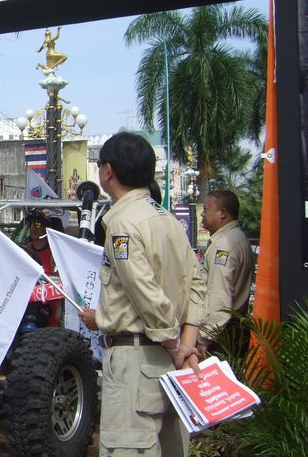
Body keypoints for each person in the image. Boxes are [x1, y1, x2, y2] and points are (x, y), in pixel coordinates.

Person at [78, 132, 207, 456]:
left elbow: (146, 294)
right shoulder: (168, 220)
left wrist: (176, 345)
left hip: (137, 362)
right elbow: (197, 282)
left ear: (107, 171)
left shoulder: (122, 224)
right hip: (170, 361)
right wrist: (187, 343)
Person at [196, 190, 254, 358]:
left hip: (222, 334)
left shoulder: (223, 245)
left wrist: (205, 337)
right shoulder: (239, 238)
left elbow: (219, 295)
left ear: (222, 212)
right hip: (234, 328)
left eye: (206, 209)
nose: (202, 214)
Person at [18, 208, 64, 326]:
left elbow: (61, 281)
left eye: (38, 225)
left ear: (46, 228)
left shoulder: (55, 253)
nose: (34, 228)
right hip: (25, 297)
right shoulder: (23, 250)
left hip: (48, 300)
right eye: (32, 225)